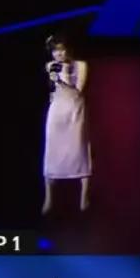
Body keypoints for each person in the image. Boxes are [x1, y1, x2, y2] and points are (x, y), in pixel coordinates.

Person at [41, 35, 92, 216]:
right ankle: (49, 198)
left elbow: (78, 90)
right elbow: (52, 91)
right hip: (57, 111)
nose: (59, 54)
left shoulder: (81, 65)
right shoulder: (50, 66)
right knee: (52, 151)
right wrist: (54, 81)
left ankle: (84, 197)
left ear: (68, 50)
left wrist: (62, 79)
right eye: (55, 51)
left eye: (62, 49)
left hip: (75, 110)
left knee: (79, 150)